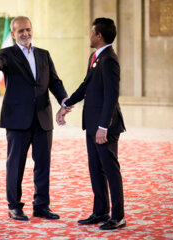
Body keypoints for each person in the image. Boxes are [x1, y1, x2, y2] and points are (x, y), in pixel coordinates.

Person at [0, 16, 68, 221]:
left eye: (28, 29)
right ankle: (14, 206)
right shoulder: (6, 54)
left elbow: (54, 81)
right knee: (16, 164)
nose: (25, 33)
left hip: (43, 118)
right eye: (20, 31)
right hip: (17, 119)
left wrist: (64, 100)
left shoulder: (44, 55)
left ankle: (41, 206)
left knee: (43, 164)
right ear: (13, 34)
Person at [57, 17, 126, 230]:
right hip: (92, 124)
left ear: (99, 36)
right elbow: (85, 86)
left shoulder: (109, 60)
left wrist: (103, 127)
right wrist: (66, 103)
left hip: (104, 127)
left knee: (110, 170)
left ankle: (118, 216)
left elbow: (111, 96)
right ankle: (101, 211)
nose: (89, 35)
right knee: (96, 169)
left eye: (91, 31)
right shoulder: (95, 57)